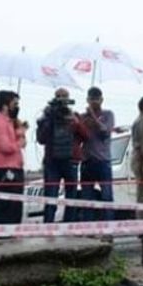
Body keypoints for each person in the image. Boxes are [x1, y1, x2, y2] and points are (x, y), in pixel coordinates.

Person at [37, 87, 85, 223]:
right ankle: (48, 225)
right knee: (51, 195)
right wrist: (50, 119)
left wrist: (76, 123)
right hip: (52, 161)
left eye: (64, 96)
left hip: (71, 160)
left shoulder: (74, 116)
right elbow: (41, 139)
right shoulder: (47, 116)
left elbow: (86, 136)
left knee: (71, 196)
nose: (62, 99)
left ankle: (69, 224)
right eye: (59, 96)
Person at [80, 87, 116, 221]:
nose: (94, 101)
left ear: (102, 100)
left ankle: (109, 226)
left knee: (107, 196)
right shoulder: (83, 117)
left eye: (97, 99)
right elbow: (79, 136)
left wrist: (94, 118)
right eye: (91, 99)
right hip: (87, 161)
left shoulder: (108, 115)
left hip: (103, 161)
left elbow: (105, 132)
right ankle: (88, 227)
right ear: (87, 100)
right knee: (87, 198)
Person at [0, 90, 24, 224]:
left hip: (15, 166)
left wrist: (19, 131)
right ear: (5, 106)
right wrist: (19, 143)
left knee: (15, 206)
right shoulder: (0, 123)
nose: (17, 107)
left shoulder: (10, 122)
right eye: (14, 104)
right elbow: (6, 147)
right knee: (6, 206)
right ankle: (2, 231)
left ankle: (13, 230)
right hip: (5, 169)